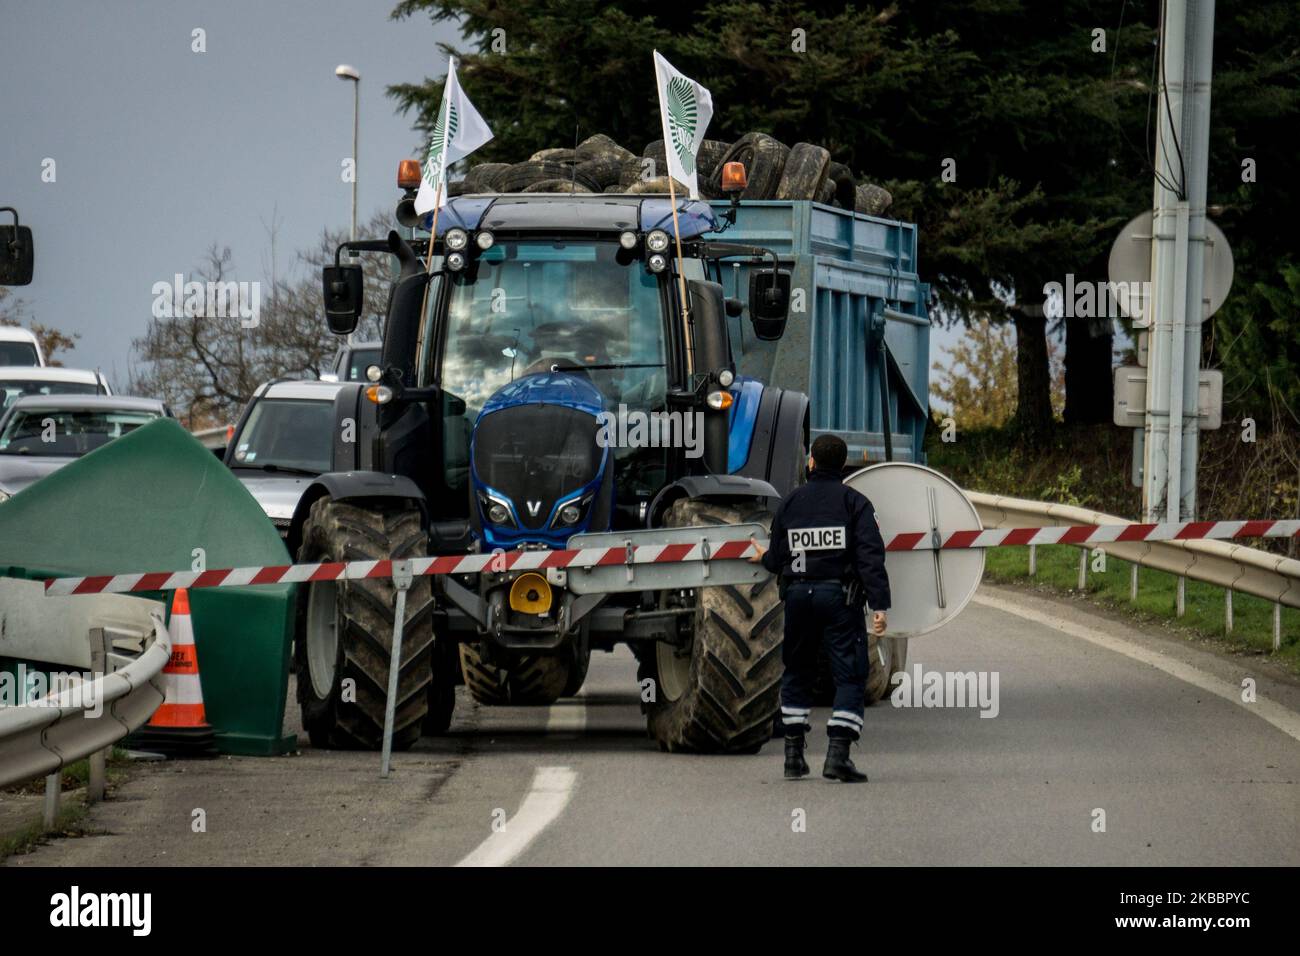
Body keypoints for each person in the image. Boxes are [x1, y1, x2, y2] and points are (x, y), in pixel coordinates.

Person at [750, 434, 891, 782]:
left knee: (797, 671)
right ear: (843, 466)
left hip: (798, 597)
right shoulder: (855, 503)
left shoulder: (791, 502)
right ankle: (837, 757)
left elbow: (778, 557)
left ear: (811, 462)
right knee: (849, 674)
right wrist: (879, 605)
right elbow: (869, 557)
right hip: (839, 600)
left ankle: (793, 758)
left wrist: (763, 557)